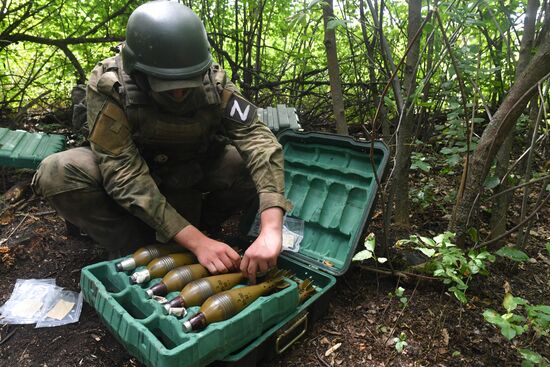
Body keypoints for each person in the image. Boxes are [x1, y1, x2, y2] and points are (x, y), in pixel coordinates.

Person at [31, 1, 292, 284]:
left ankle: (205, 226)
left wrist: (271, 227)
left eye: (187, 82)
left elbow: (257, 139)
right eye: (167, 84)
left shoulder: (214, 81)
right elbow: (123, 172)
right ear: (138, 70)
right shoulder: (112, 85)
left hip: (190, 167)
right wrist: (196, 242)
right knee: (58, 172)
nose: (179, 93)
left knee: (246, 164)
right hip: (134, 171)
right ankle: (129, 245)